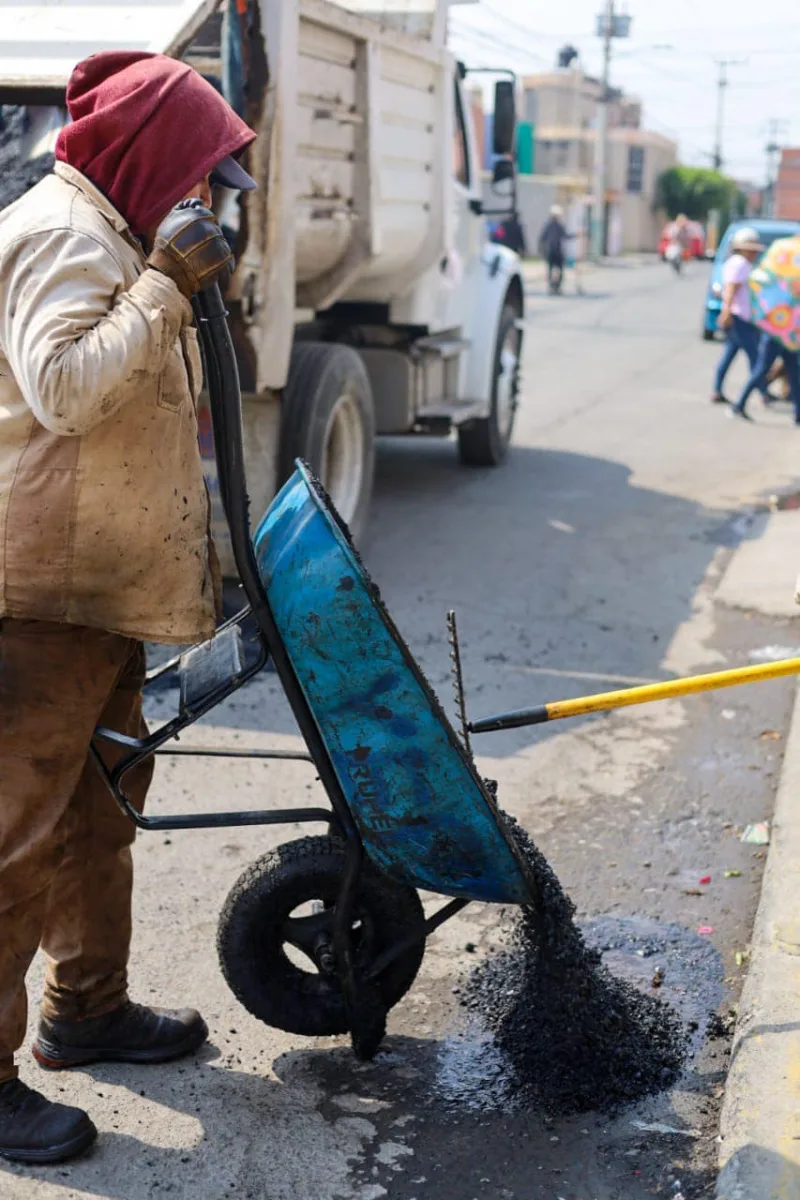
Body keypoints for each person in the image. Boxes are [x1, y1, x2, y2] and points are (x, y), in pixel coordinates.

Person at [0, 50, 256, 1164]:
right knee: (14, 841)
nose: (200, 195)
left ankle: (86, 1010)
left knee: (100, 814)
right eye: (194, 170)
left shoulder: (111, 225)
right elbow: (61, 388)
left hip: (97, 588)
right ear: (147, 153)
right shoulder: (63, 233)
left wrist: (179, 281)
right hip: (35, 596)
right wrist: (162, 281)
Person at [711, 227, 775, 406]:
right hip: (738, 317)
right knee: (755, 357)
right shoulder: (740, 264)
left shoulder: (735, 263)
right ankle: (763, 392)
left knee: (730, 354)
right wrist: (726, 312)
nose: (754, 254)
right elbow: (731, 289)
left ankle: (717, 389)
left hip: (740, 316)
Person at [730, 330, 800, 423]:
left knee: (794, 374)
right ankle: (739, 405)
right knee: (761, 371)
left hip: (790, 338)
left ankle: (798, 414)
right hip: (775, 335)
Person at [539, 204, 568, 292]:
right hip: (555, 250)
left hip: (552, 250)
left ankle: (554, 286)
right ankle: (555, 286)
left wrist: (542, 249)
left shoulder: (549, 225)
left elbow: (542, 238)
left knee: (552, 269)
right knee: (557, 269)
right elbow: (565, 236)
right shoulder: (557, 225)